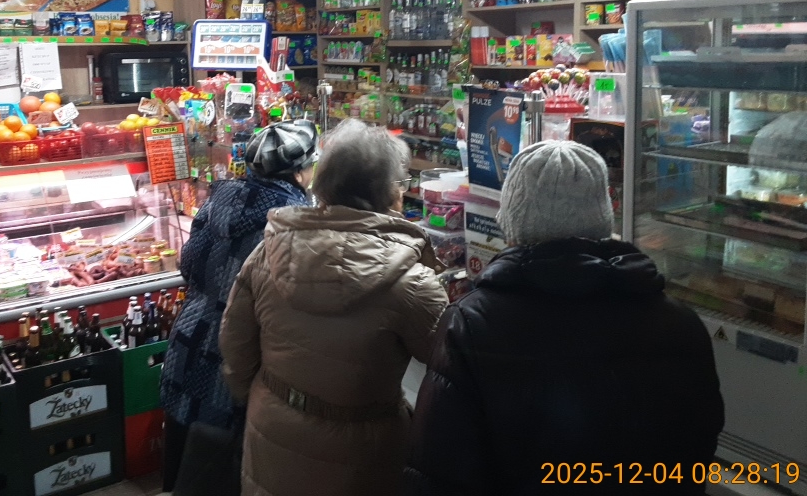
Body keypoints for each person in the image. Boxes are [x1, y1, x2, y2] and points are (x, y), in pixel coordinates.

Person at [405, 140, 724, 495]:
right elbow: (697, 447)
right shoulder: (680, 323)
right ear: (602, 214)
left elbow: (441, 469)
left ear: (511, 219)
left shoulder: (472, 324)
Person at [220, 119, 448, 496]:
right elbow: (449, 370)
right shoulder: (411, 282)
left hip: (271, 431)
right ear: (387, 192)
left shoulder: (269, 252)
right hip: (361, 453)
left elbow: (235, 348)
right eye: (400, 183)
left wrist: (268, 398)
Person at [159, 119, 318, 493]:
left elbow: (188, 266)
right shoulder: (292, 221)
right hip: (236, 360)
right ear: (299, 173)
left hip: (189, 341)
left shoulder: (220, 198)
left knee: (183, 466)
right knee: (223, 470)